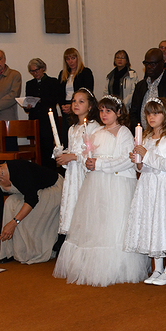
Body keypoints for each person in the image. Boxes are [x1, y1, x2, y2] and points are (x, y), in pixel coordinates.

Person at [54, 95, 148, 286]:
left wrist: (100, 164)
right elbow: (87, 155)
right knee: (97, 220)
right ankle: (91, 266)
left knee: (114, 222)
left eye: (109, 111)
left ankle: (117, 267)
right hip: (96, 183)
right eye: (102, 111)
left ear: (119, 113)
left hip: (118, 183)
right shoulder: (96, 132)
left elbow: (126, 159)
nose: (104, 114)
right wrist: (88, 161)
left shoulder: (123, 132)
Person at [124, 98, 166, 285]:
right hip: (147, 185)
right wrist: (137, 160)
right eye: (149, 113)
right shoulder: (146, 138)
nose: (151, 117)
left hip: (163, 186)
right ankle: (157, 269)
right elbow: (142, 168)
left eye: (156, 113)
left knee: (165, 225)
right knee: (152, 224)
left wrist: (146, 154)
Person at [0, 149, 63, 265]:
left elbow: (32, 199)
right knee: (10, 203)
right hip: (34, 192)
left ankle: (44, 247)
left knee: (24, 216)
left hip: (52, 189)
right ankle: (11, 252)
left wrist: (14, 222)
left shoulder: (17, 169)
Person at [55, 88, 99, 236]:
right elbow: (72, 150)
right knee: (72, 202)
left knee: (85, 203)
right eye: (74, 101)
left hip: (85, 173)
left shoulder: (94, 127)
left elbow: (93, 153)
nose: (76, 104)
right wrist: (63, 156)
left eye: (81, 101)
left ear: (90, 106)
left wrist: (73, 157)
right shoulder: (72, 129)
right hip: (73, 174)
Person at [130, 48, 166, 137]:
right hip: (144, 136)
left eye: (153, 64)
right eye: (146, 63)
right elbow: (133, 112)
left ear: (162, 63)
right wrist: (141, 132)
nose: (149, 67)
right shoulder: (140, 85)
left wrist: (158, 131)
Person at [23, 58, 63, 170]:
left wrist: (41, 100)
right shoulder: (30, 84)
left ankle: (50, 171)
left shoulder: (52, 82)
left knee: (48, 147)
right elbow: (28, 102)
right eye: (32, 71)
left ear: (43, 68)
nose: (35, 73)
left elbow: (55, 99)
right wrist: (27, 106)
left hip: (48, 120)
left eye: (36, 70)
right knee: (38, 148)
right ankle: (39, 170)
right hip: (35, 119)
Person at [59, 48, 95, 127]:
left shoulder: (85, 72)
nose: (71, 61)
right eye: (68, 59)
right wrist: (63, 106)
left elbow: (87, 92)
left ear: (77, 58)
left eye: (73, 58)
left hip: (80, 105)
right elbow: (60, 93)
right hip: (66, 107)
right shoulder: (63, 74)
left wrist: (72, 105)